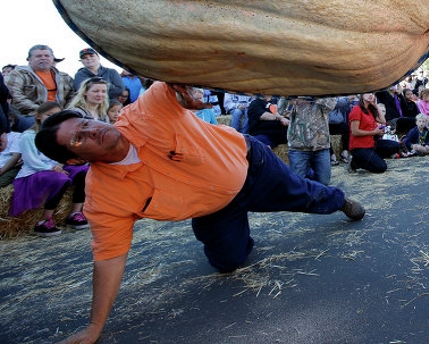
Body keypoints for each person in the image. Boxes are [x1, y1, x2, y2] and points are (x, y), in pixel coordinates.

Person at [34, 81, 365, 344]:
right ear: (75, 161)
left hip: (251, 166)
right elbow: (108, 257)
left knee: (305, 195)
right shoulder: (104, 197)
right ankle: (239, 230)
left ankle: (340, 200)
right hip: (213, 207)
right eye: (79, 139)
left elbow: (172, 77)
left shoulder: (145, 113)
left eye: (85, 123)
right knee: (227, 262)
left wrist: (188, 91)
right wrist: (95, 326)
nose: (91, 131)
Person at [11, 101, 89, 235]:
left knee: (84, 171)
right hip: (36, 171)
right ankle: (44, 220)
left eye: (57, 115)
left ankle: (75, 212)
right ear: (38, 116)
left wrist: (60, 163)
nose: (53, 118)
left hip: (55, 167)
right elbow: (32, 161)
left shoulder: (57, 135)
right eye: (49, 115)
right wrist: (52, 167)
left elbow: (60, 155)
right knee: (60, 179)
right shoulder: (28, 136)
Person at [6, 45, 74, 131]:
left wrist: (65, 111)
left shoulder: (65, 77)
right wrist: (43, 111)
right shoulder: (18, 74)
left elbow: (74, 95)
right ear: (29, 59)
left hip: (62, 114)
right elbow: (14, 96)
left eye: (47, 56)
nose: (43, 58)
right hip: (30, 115)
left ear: (52, 58)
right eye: (38, 56)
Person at [284, 97, 336, 185]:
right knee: (297, 184)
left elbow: (331, 106)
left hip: (321, 145)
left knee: (324, 181)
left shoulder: (325, 89)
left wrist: (313, 95)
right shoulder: (292, 90)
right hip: (298, 146)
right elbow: (284, 112)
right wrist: (292, 98)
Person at [347, 92, 400, 173]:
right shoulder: (356, 109)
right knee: (381, 168)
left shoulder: (369, 109)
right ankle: (355, 163)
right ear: (362, 95)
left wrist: (376, 106)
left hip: (371, 144)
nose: (370, 95)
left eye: (372, 93)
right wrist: (373, 132)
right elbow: (354, 132)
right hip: (359, 147)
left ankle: (374, 159)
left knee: (395, 146)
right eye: (367, 93)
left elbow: (383, 121)